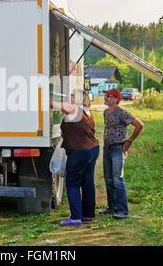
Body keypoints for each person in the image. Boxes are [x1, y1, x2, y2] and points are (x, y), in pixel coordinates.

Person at [50, 88, 99, 226]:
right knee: (88, 182)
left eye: (72, 95)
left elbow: (52, 104)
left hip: (79, 152)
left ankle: (76, 218)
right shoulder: (87, 111)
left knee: (72, 183)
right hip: (92, 150)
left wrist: (39, 95)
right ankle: (87, 215)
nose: (69, 97)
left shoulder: (74, 108)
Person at [100, 88, 143, 219]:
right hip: (107, 148)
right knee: (108, 179)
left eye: (108, 96)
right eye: (105, 96)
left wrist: (129, 141)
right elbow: (107, 126)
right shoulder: (106, 112)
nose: (105, 98)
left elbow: (139, 125)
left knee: (117, 179)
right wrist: (104, 137)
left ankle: (123, 210)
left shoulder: (121, 112)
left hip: (118, 149)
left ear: (115, 99)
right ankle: (112, 207)